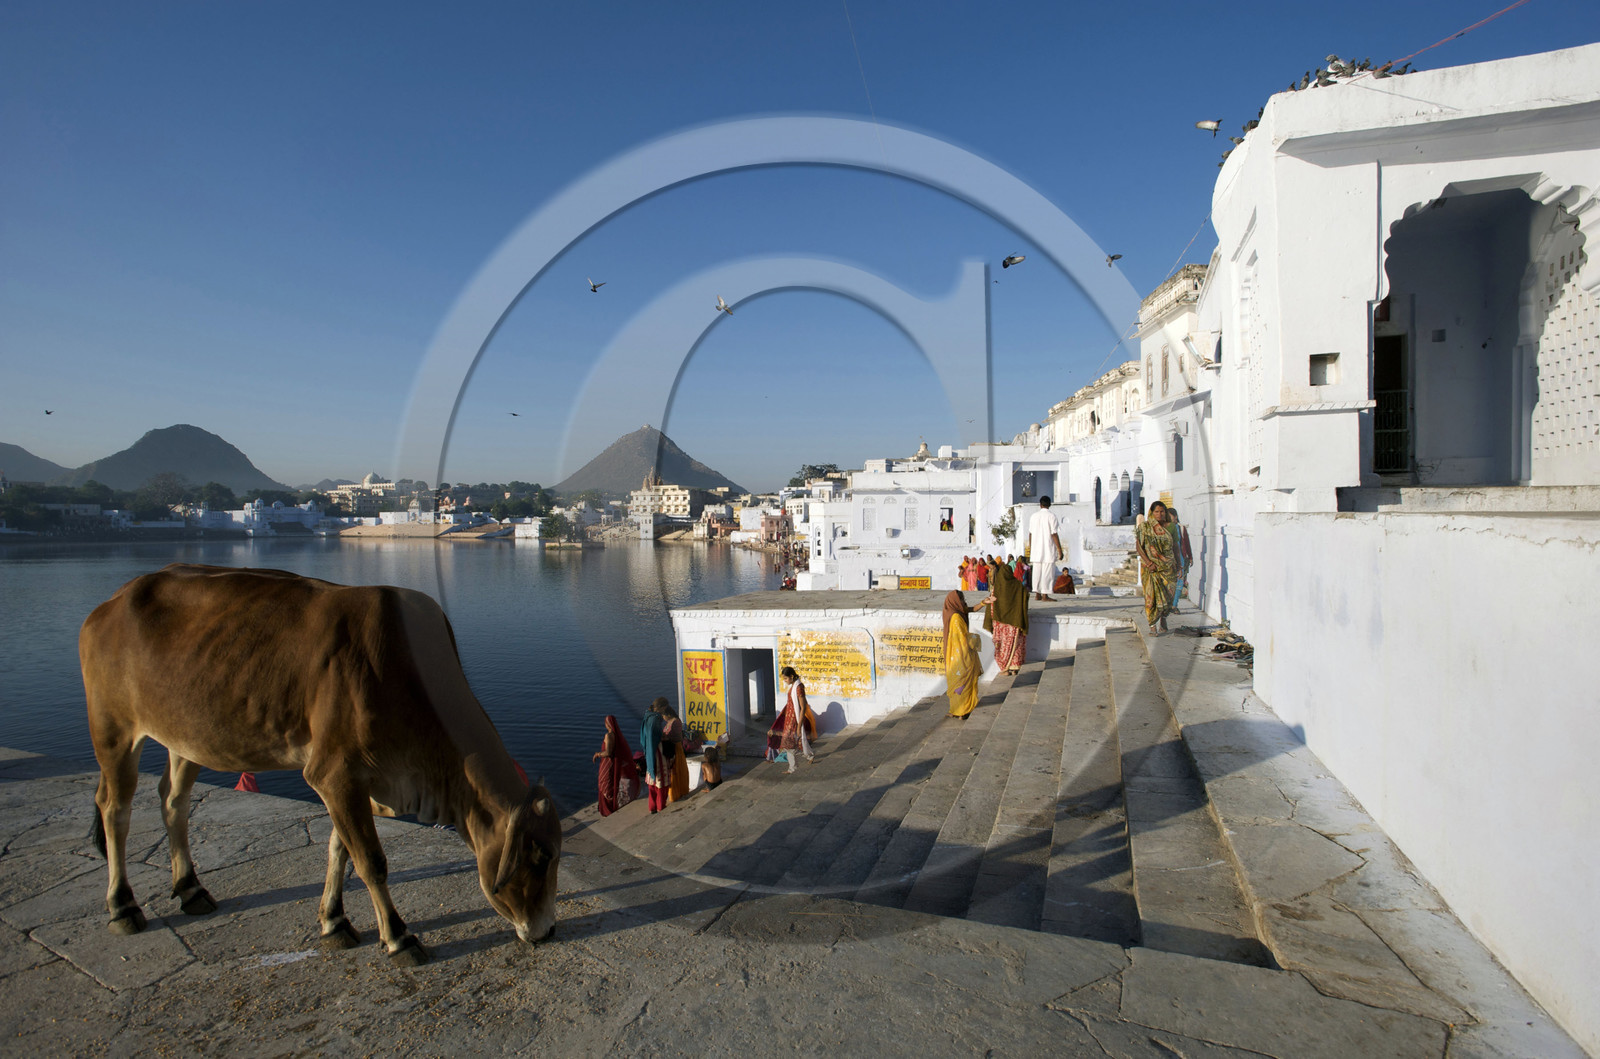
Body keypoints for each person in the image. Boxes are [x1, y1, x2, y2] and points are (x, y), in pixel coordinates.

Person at [1137, 500, 1179, 633]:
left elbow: (1176, 547)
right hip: (1150, 568)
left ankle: (1163, 618)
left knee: (1168, 595)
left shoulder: (1171, 527)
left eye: (1162, 512)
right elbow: (1139, 546)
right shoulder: (1145, 527)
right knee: (1151, 596)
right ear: (1151, 513)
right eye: (1156, 512)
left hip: (1168, 567)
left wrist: (1179, 566)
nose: (1159, 514)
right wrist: (1149, 563)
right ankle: (1152, 624)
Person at [981, 560, 1029, 676]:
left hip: (1000, 625)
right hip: (1015, 622)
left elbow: (992, 606)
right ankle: (1014, 668)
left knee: (1003, 646)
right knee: (1016, 644)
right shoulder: (1018, 586)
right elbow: (1025, 598)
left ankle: (1005, 669)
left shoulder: (996, 589)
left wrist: (992, 619)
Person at [767, 666, 816, 772]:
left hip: (795, 720)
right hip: (789, 720)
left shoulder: (799, 688)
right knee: (791, 744)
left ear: (792, 676)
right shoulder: (794, 686)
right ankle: (809, 756)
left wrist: (799, 726)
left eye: (786, 678)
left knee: (790, 744)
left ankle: (793, 767)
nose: (785, 681)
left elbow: (803, 707)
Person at [942, 589, 981, 717]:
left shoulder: (950, 611)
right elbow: (963, 638)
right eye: (962, 600)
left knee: (955, 681)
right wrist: (976, 638)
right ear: (955, 601)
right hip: (961, 654)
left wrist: (984, 603)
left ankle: (957, 710)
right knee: (962, 681)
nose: (964, 602)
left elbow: (971, 609)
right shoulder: (956, 617)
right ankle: (961, 710)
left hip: (951, 654)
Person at [592, 714, 640, 816]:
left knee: (605, 784)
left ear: (607, 724)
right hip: (612, 763)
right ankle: (610, 804)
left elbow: (608, 752)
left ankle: (608, 807)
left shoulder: (609, 736)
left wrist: (598, 754)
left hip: (607, 763)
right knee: (609, 783)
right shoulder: (617, 736)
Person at [1026, 496, 1064, 602]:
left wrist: (1031, 547)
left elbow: (1030, 533)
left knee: (1037, 571)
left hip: (1036, 549)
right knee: (1047, 572)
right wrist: (1059, 550)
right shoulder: (1051, 516)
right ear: (1049, 504)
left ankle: (1037, 594)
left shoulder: (1034, 516)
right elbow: (1054, 534)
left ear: (1040, 504)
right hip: (1048, 549)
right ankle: (1045, 595)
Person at [658, 700, 691, 803]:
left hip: (676, 749)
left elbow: (676, 736)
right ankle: (673, 793)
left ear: (667, 714)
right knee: (672, 772)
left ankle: (677, 793)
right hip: (671, 749)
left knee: (676, 771)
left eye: (663, 715)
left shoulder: (676, 722)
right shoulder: (670, 722)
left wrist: (665, 737)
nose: (663, 718)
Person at [639, 702, 668, 813]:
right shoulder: (655, 720)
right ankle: (660, 806)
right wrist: (664, 737)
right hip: (657, 754)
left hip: (650, 755)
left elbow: (646, 737)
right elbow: (654, 736)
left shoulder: (647, 717)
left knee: (652, 784)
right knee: (659, 784)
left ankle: (652, 807)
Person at [1167, 506, 1193, 612]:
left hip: (1181, 559)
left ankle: (1174, 605)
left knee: (1179, 582)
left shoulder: (1181, 528)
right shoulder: (1163, 529)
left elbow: (1186, 543)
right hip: (1168, 559)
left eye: (1170, 516)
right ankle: (1167, 605)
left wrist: (1190, 557)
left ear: (1175, 517)